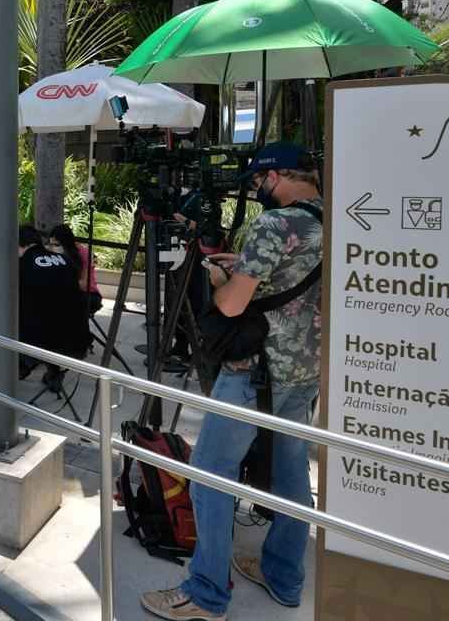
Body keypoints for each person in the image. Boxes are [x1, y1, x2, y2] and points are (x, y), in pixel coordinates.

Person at [141, 143, 323, 621]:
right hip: (304, 371)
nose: (257, 191)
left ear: (279, 175)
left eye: (260, 182)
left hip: (254, 373)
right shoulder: (333, 218)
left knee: (208, 475)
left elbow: (231, 306)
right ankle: (284, 578)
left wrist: (223, 274)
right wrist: (245, 267)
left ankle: (205, 593)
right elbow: (287, 281)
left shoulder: (274, 223)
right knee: (290, 477)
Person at [17, 225, 90, 391]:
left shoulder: (21, 265)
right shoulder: (65, 261)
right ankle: (52, 373)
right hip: (77, 342)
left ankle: (14, 369)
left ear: (21, 245)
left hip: (42, 343)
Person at [48, 223, 102, 315]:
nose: (53, 248)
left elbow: (83, 284)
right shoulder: (53, 254)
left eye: (56, 244)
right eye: (51, 244)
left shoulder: (83, 253)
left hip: (88, 295)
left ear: (66, 243)